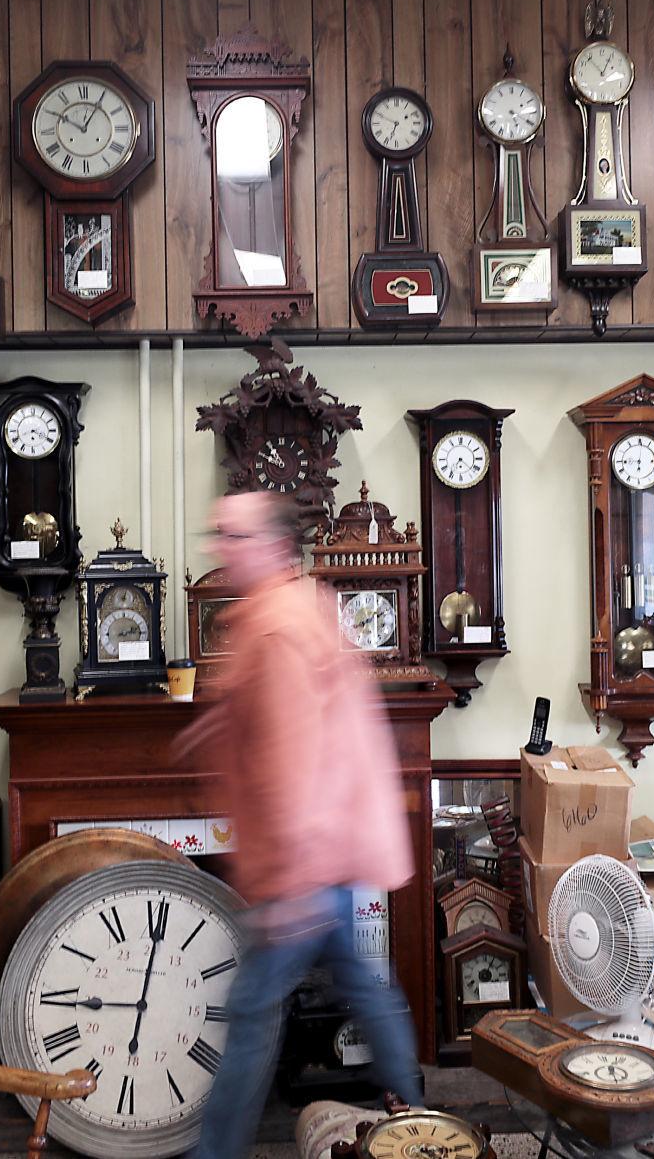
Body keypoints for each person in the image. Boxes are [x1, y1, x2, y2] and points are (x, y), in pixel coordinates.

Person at [176, 492, 423, 1159]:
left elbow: (296, 760)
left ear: (269, 546)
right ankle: (422, 1118)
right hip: (325, 856)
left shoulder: (278, 625)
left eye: (232, 534)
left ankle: (215, 1154)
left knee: (250, 1015)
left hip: (303, 865)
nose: (219, 546)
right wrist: (221, 724)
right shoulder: (286, 609)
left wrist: (293, 881)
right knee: (366, 985)